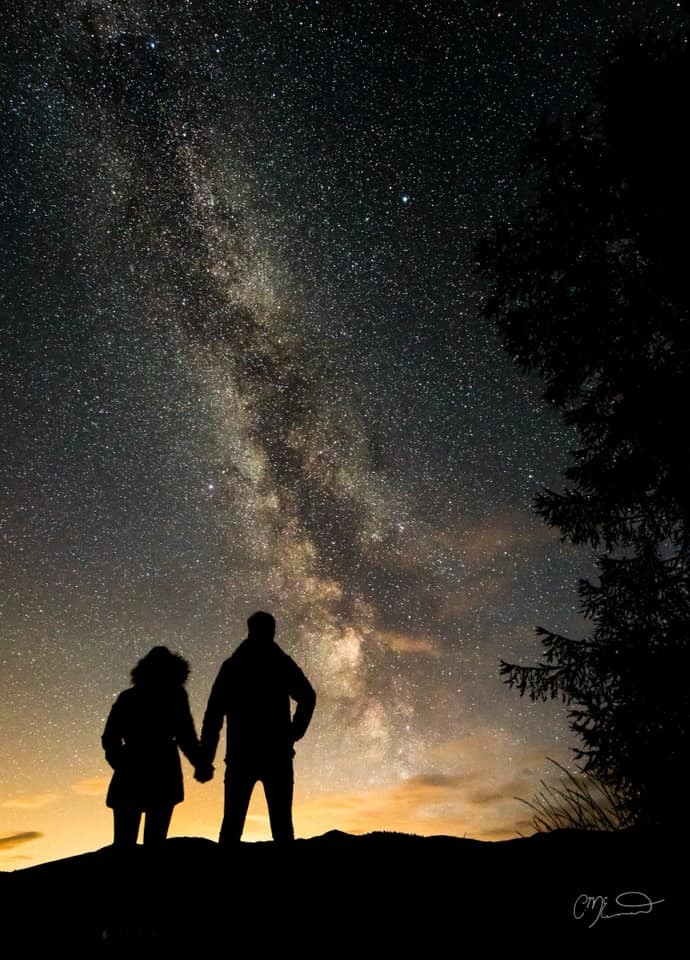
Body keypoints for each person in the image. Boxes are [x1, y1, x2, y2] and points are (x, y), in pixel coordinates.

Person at [197, 611, 316, 843]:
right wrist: (293, 734)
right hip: (276, 755)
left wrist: (206, 758)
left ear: (250, 630)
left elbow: (214, 715)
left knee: (232, 826)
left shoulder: (233, 665)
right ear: (272, 631)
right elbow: (308, 696)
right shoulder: (281, 663)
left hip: (242, 755)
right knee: (282, 827)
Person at [102, 646, 210, 847]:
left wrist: (120, 763)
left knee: (126, 844)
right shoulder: (175, 695)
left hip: (137, 768)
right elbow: (186, 735)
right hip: (161, 768)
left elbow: (110, 737)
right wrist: (200, 764)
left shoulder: (129, 697)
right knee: (153, 843)